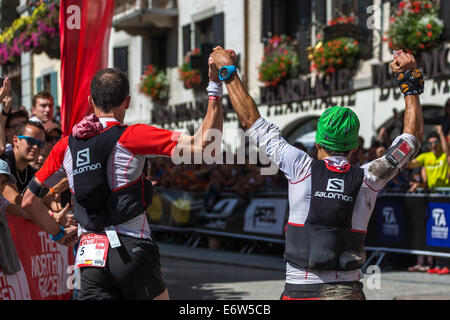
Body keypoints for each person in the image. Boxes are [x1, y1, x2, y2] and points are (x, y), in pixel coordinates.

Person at [210, 47, 423, 299]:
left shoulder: (299, 166)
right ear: (354, 147)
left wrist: (229, 72)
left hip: (301, 289)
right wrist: (409, 80)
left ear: (317, 144)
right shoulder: (370, 177)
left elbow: (250, 121)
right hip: (347, 290)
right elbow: (410, 141)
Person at [22, 57, 224, 300]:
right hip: (132, 248)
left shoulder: (66, 145)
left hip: (88, 254)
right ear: (126, 102)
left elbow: (28, 200)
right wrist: (215, 88)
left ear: (90, 101)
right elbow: (206, 146)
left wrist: (57, 233)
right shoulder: (132, 136)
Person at [407, 126, 450, 275]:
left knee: (445, 232)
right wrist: (405, 151)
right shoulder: (426, 156)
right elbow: (410, 164)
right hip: (433, 198)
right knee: (436, 232)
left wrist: (440, 133)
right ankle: (438, 264)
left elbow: (447, 151)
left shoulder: (445, 155)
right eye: (430, 143)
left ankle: (446, 264)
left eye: (435, 142)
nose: (433, 145)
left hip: (446, 198)